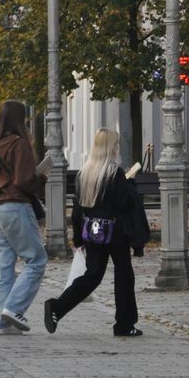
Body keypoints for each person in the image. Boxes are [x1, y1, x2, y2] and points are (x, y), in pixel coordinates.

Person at [42, 128, 147, 338]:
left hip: (93, 232)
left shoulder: (86, 172)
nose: (118, 148)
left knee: (92, 276)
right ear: (111, 147)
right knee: (124, 275)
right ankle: (124, 324)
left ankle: (57, 307)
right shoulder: (114, 173)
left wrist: (78, 237)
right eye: (116, 144)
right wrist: (130, 183)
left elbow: (78, 208)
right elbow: (124, 203)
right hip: (115, 232)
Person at [0, 100, 48, 334]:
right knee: (36, 260)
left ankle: (2, 322)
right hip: (14, 206)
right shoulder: (19, 145)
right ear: (20, 120)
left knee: (2, 267)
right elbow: (23, 181)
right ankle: (13, 308)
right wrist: (41, 178)